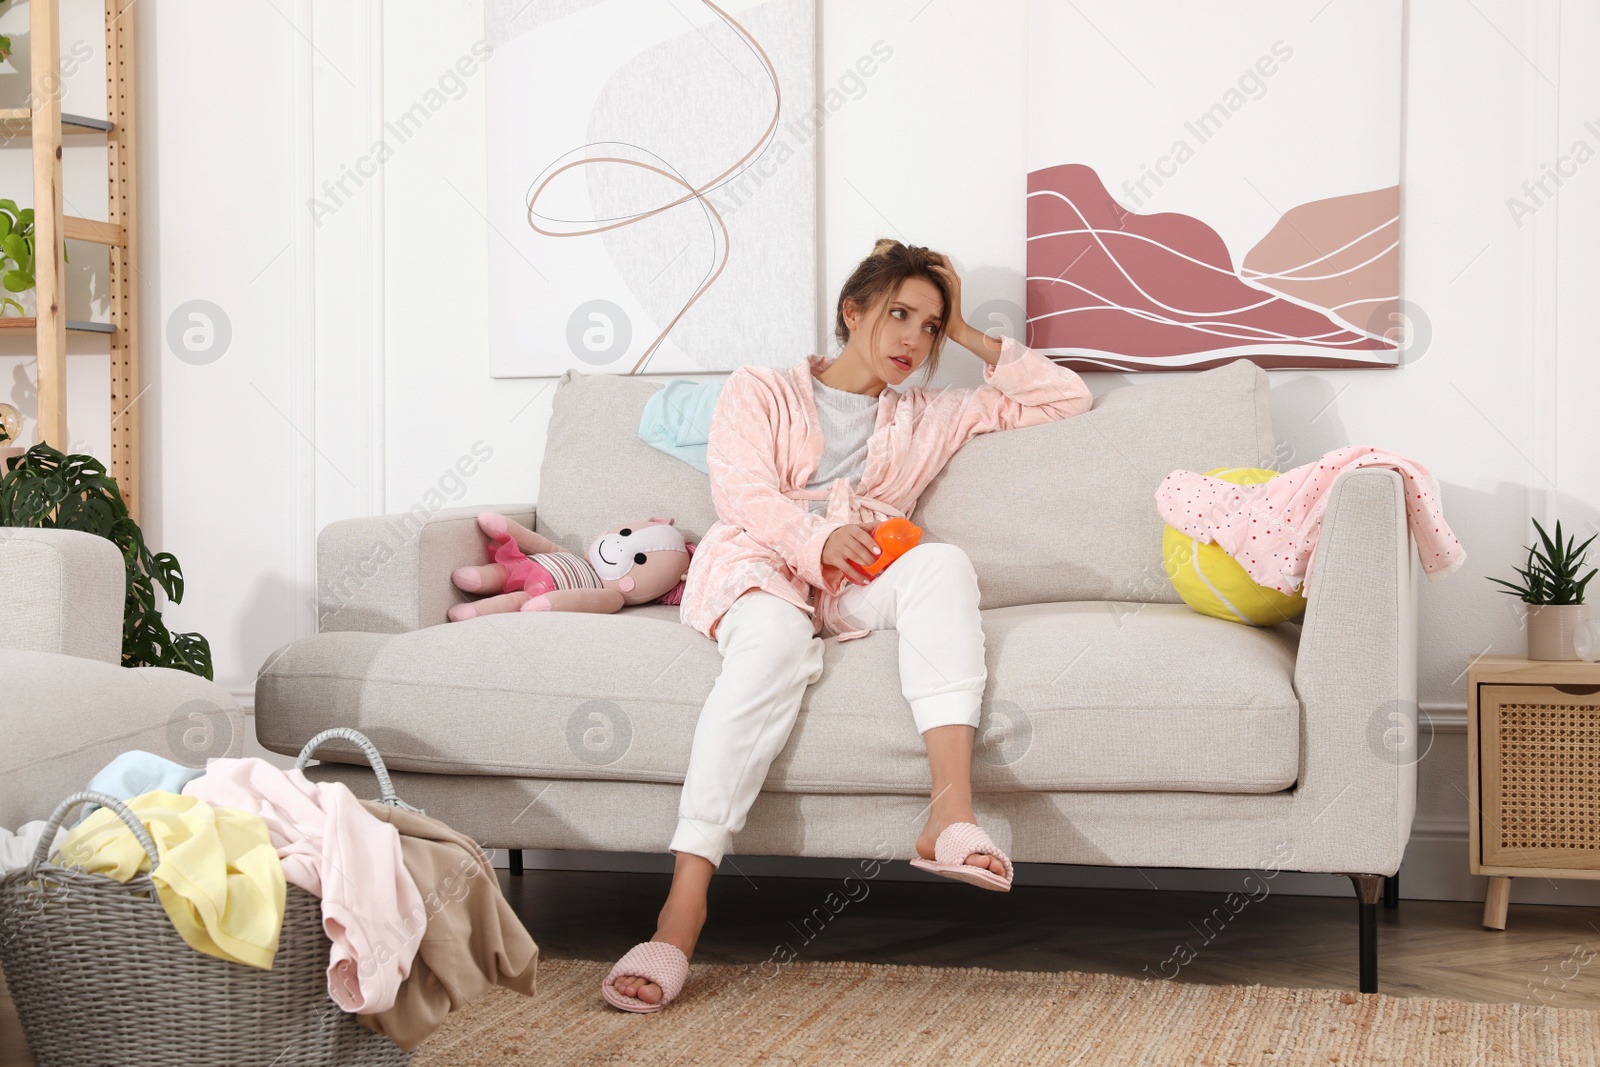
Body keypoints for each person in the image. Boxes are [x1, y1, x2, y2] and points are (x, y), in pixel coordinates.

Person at [602, 239, 1094, 1012]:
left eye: (930, 327)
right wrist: (812, 539)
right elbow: (742, 493)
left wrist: (968, 330)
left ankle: (950, 816)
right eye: (900, 314)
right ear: (852, 310)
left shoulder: (930, 415)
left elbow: (1067, 397)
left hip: (855, 580)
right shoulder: (761, 388)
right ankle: (682, 909)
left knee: (943, 565)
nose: (913, 340)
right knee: (770, 644)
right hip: (763, 563)